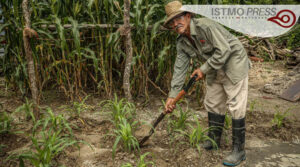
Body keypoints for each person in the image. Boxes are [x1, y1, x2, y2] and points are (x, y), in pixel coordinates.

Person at [163, 1, 251, 166]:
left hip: (234, 62)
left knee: (235, 105)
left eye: (178, 19)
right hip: (213, 66)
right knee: (212, 101)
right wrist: (172, 95)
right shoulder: (182, 41)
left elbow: (225, 50)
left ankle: (239, 151)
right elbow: (180, 68)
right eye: (172, 22)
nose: (176, 24)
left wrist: (204, 69)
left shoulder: (206, 26)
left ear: (188, 16)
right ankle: (214, 140)